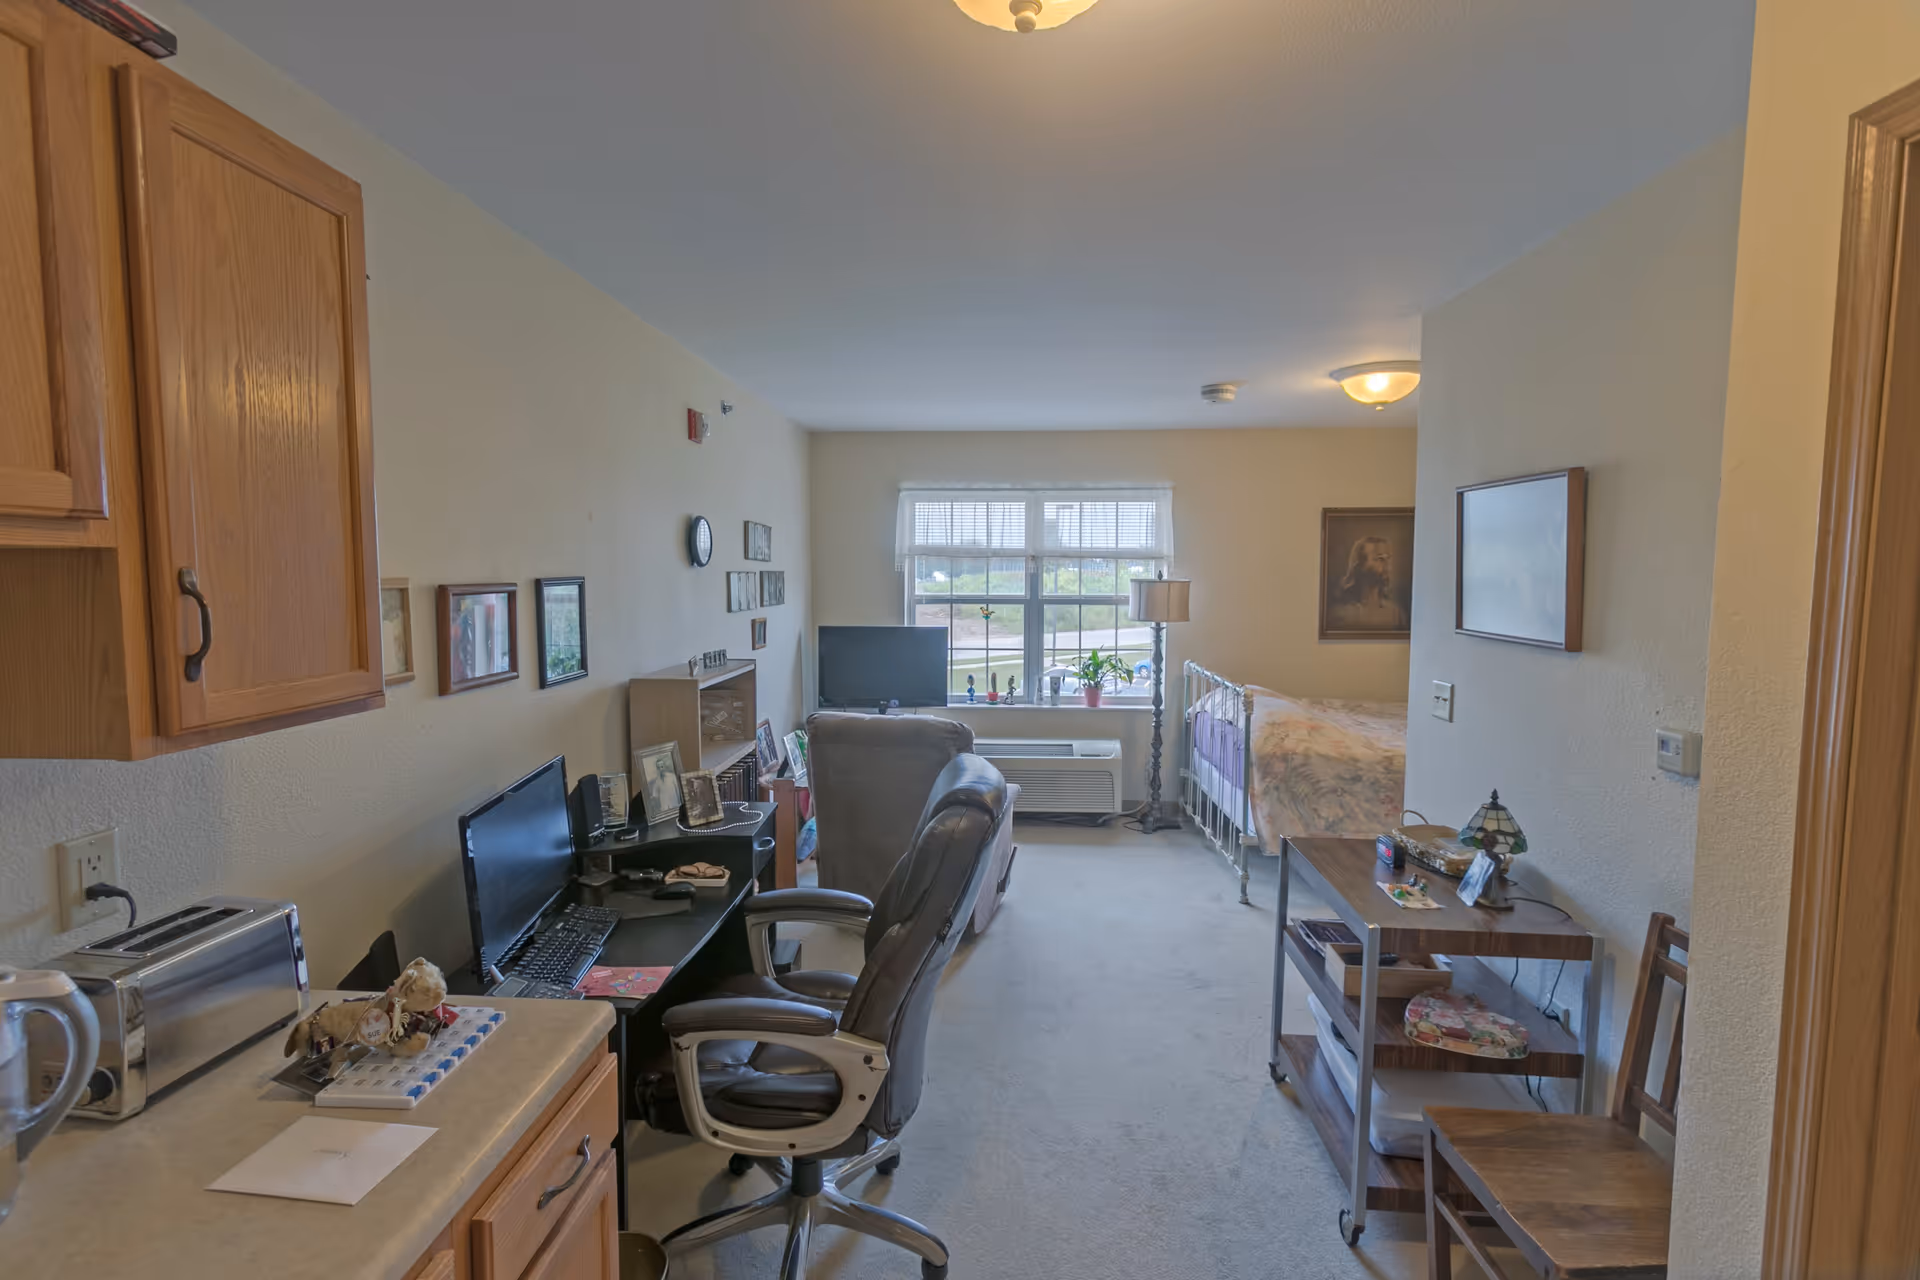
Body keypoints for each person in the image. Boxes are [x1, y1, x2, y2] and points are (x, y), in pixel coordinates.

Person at [1327, 535, 1408, 631]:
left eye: (1388, 559)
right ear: (1360, 565)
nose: (1388, 566)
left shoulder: (1395, 613)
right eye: (1380, 559)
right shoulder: (1340, 614)